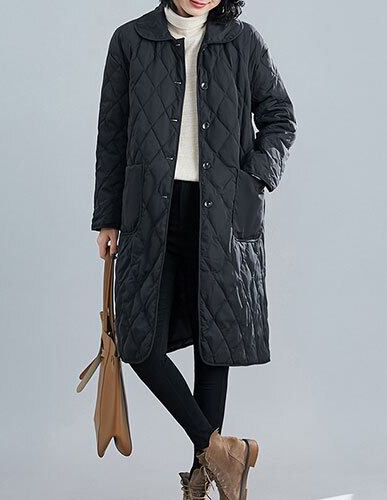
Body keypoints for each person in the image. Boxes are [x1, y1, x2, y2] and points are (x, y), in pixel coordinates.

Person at [91, 0, 296, 498]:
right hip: (150, 211)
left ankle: (201, 483)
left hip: (221, 212)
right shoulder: (130, 40)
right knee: (138, 343)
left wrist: (255, 177)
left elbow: (280, 118)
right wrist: (107, 217)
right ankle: (223, 451)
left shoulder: (243, 42)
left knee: (213, 343)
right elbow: (112, 134)